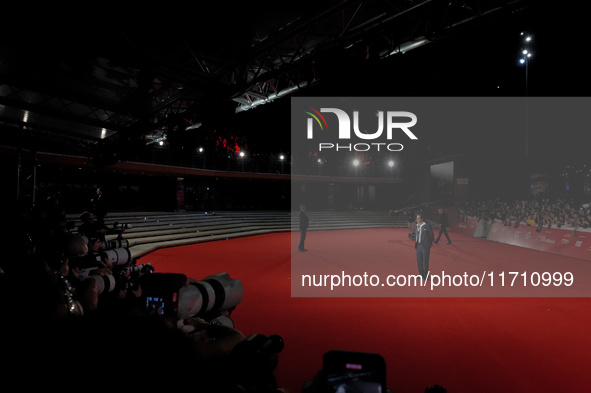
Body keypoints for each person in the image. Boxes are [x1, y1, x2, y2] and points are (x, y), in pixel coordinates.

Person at [414, 212, 434, 280]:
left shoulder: (427, 226)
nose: (417, 219)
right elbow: (416, 235)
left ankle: (426, 275)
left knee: (425, 261)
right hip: (418, 246)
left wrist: (428, 244)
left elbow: (432, 236)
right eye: (416, 218)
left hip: (425, 247)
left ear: (422, 219)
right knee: (419, 261)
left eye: (418, 218)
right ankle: (421, 274)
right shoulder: (416, 226)